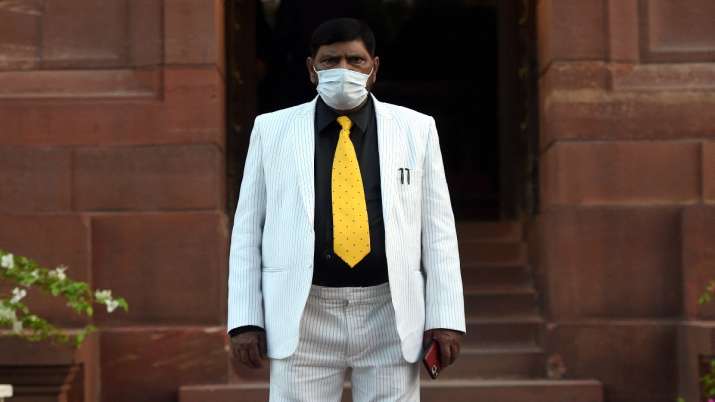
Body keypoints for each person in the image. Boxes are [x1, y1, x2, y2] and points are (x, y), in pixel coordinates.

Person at [227, 17, 465, 402]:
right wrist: (245, 319)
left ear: (374, 68)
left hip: (389, 309)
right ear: (311, 69)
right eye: (330, 60)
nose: (343, 70)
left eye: (355, 60)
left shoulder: (416, 130)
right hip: (303, 311)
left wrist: (446, 319)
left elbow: (438, 232)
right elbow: (247, 231)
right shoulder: (271, 131)